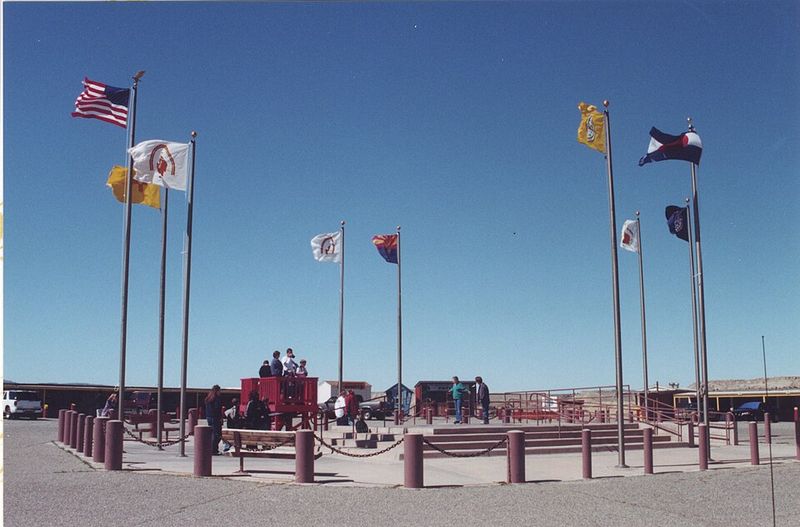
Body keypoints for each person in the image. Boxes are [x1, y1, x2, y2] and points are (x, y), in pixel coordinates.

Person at [204, 385, 223, 455]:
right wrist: (220, 418)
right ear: (217, 391)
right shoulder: (217, 399)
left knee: (212, 433)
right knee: (217, 434)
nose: (220, 392)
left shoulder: (208, 398)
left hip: (209, 417)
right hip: (215, 418)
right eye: (219, 391)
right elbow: (217, 409)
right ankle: (214, 449)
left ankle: (212, 448)